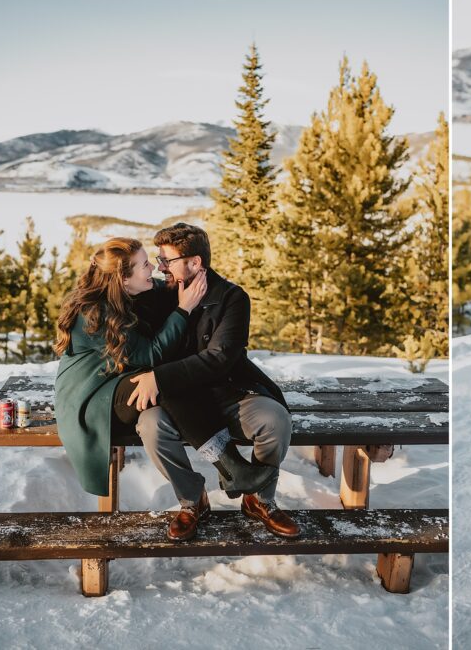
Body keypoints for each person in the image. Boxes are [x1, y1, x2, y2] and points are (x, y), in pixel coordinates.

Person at [53, 238, 275, 523]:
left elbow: (161, 288)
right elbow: (150, 355)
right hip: (93, 398)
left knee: (162, 380)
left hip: (113, 385)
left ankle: (231, 468)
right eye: (145, 265)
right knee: (160, 380)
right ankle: (231, 466)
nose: (153, 269)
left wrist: (210, 286)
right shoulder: (95, 312)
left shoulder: (119, 294)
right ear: (123, 278)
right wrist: (183, 310)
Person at [127, 223, 300, 542]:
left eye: (167, 260)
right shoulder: (159, 295)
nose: (161, 267)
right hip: (176, 402)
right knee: (151, 427)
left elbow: (220, 359)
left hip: (228, 394)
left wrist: (160, 376)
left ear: (194, 263)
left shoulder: (232, 298)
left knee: (275, 420)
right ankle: (193, 501)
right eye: (159, 260)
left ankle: (259, 498)